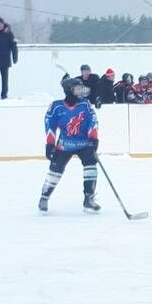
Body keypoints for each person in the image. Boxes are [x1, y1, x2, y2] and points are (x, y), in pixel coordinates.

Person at [40, 76, 101, 213]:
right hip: (64, 145)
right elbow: (49, 124)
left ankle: (88, 198)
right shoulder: (56, 106)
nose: (80, 91)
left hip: (84, 143)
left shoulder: (85, 104)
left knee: (91, 164)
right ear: (69, 90)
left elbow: (93, 120)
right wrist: (50, 144)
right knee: (55, 170)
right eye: (78, 88)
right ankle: (44, 197)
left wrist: (93, 138)